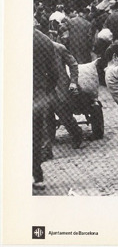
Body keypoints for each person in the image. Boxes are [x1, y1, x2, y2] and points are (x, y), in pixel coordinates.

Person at [45, 41, 83, 153]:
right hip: (44, 88)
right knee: (46, 114)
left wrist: (73, 82)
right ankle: (49, 140)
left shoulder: (58, 48)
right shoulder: (34, 50)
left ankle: (76, 134)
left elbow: (73, 64)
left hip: (59, 87)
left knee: (64, 114)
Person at [33, 28, 59, 190]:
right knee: (34, 134)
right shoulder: (43, 39)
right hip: (37, 93)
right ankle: (37, 175)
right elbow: (54, 71)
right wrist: (47, 90)